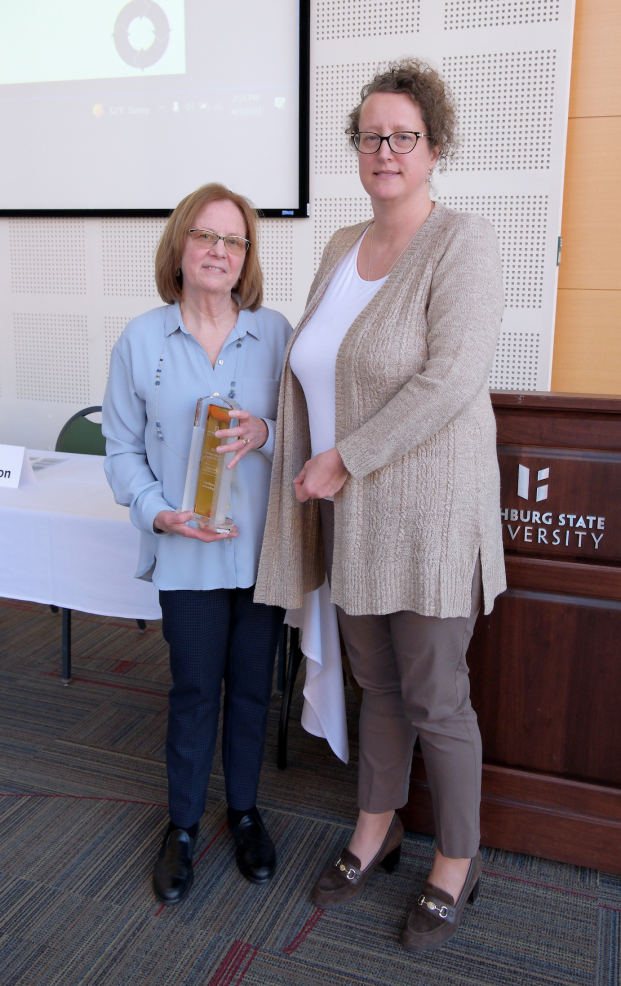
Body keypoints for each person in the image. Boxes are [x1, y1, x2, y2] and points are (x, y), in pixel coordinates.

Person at [255, 60, 505, 950]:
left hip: (430, 516)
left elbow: (449, 381)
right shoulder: (337, 249)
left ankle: (456, 861)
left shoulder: (463, 242)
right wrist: (291, 450)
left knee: (437, 695)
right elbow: (312, 372)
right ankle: (376, 826)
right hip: (352, 516)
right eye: (371, 137)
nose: (385, 151)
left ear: (434, 147)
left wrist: (343, 459)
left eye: (403, 136)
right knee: (378, 688)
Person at [103, 183, 291, 905]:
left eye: (234, 240)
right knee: (192, 690)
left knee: (250, 689)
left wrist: (267, 432)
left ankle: (242, 812)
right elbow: (120, 448)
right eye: (205, 237)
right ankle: (181, 825)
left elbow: (306, 430)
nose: (219, 251)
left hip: (260, 551)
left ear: (247, 258)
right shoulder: (141, 339)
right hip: (186, 552)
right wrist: (156, 513)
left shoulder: (274, 333)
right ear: (180, 248)